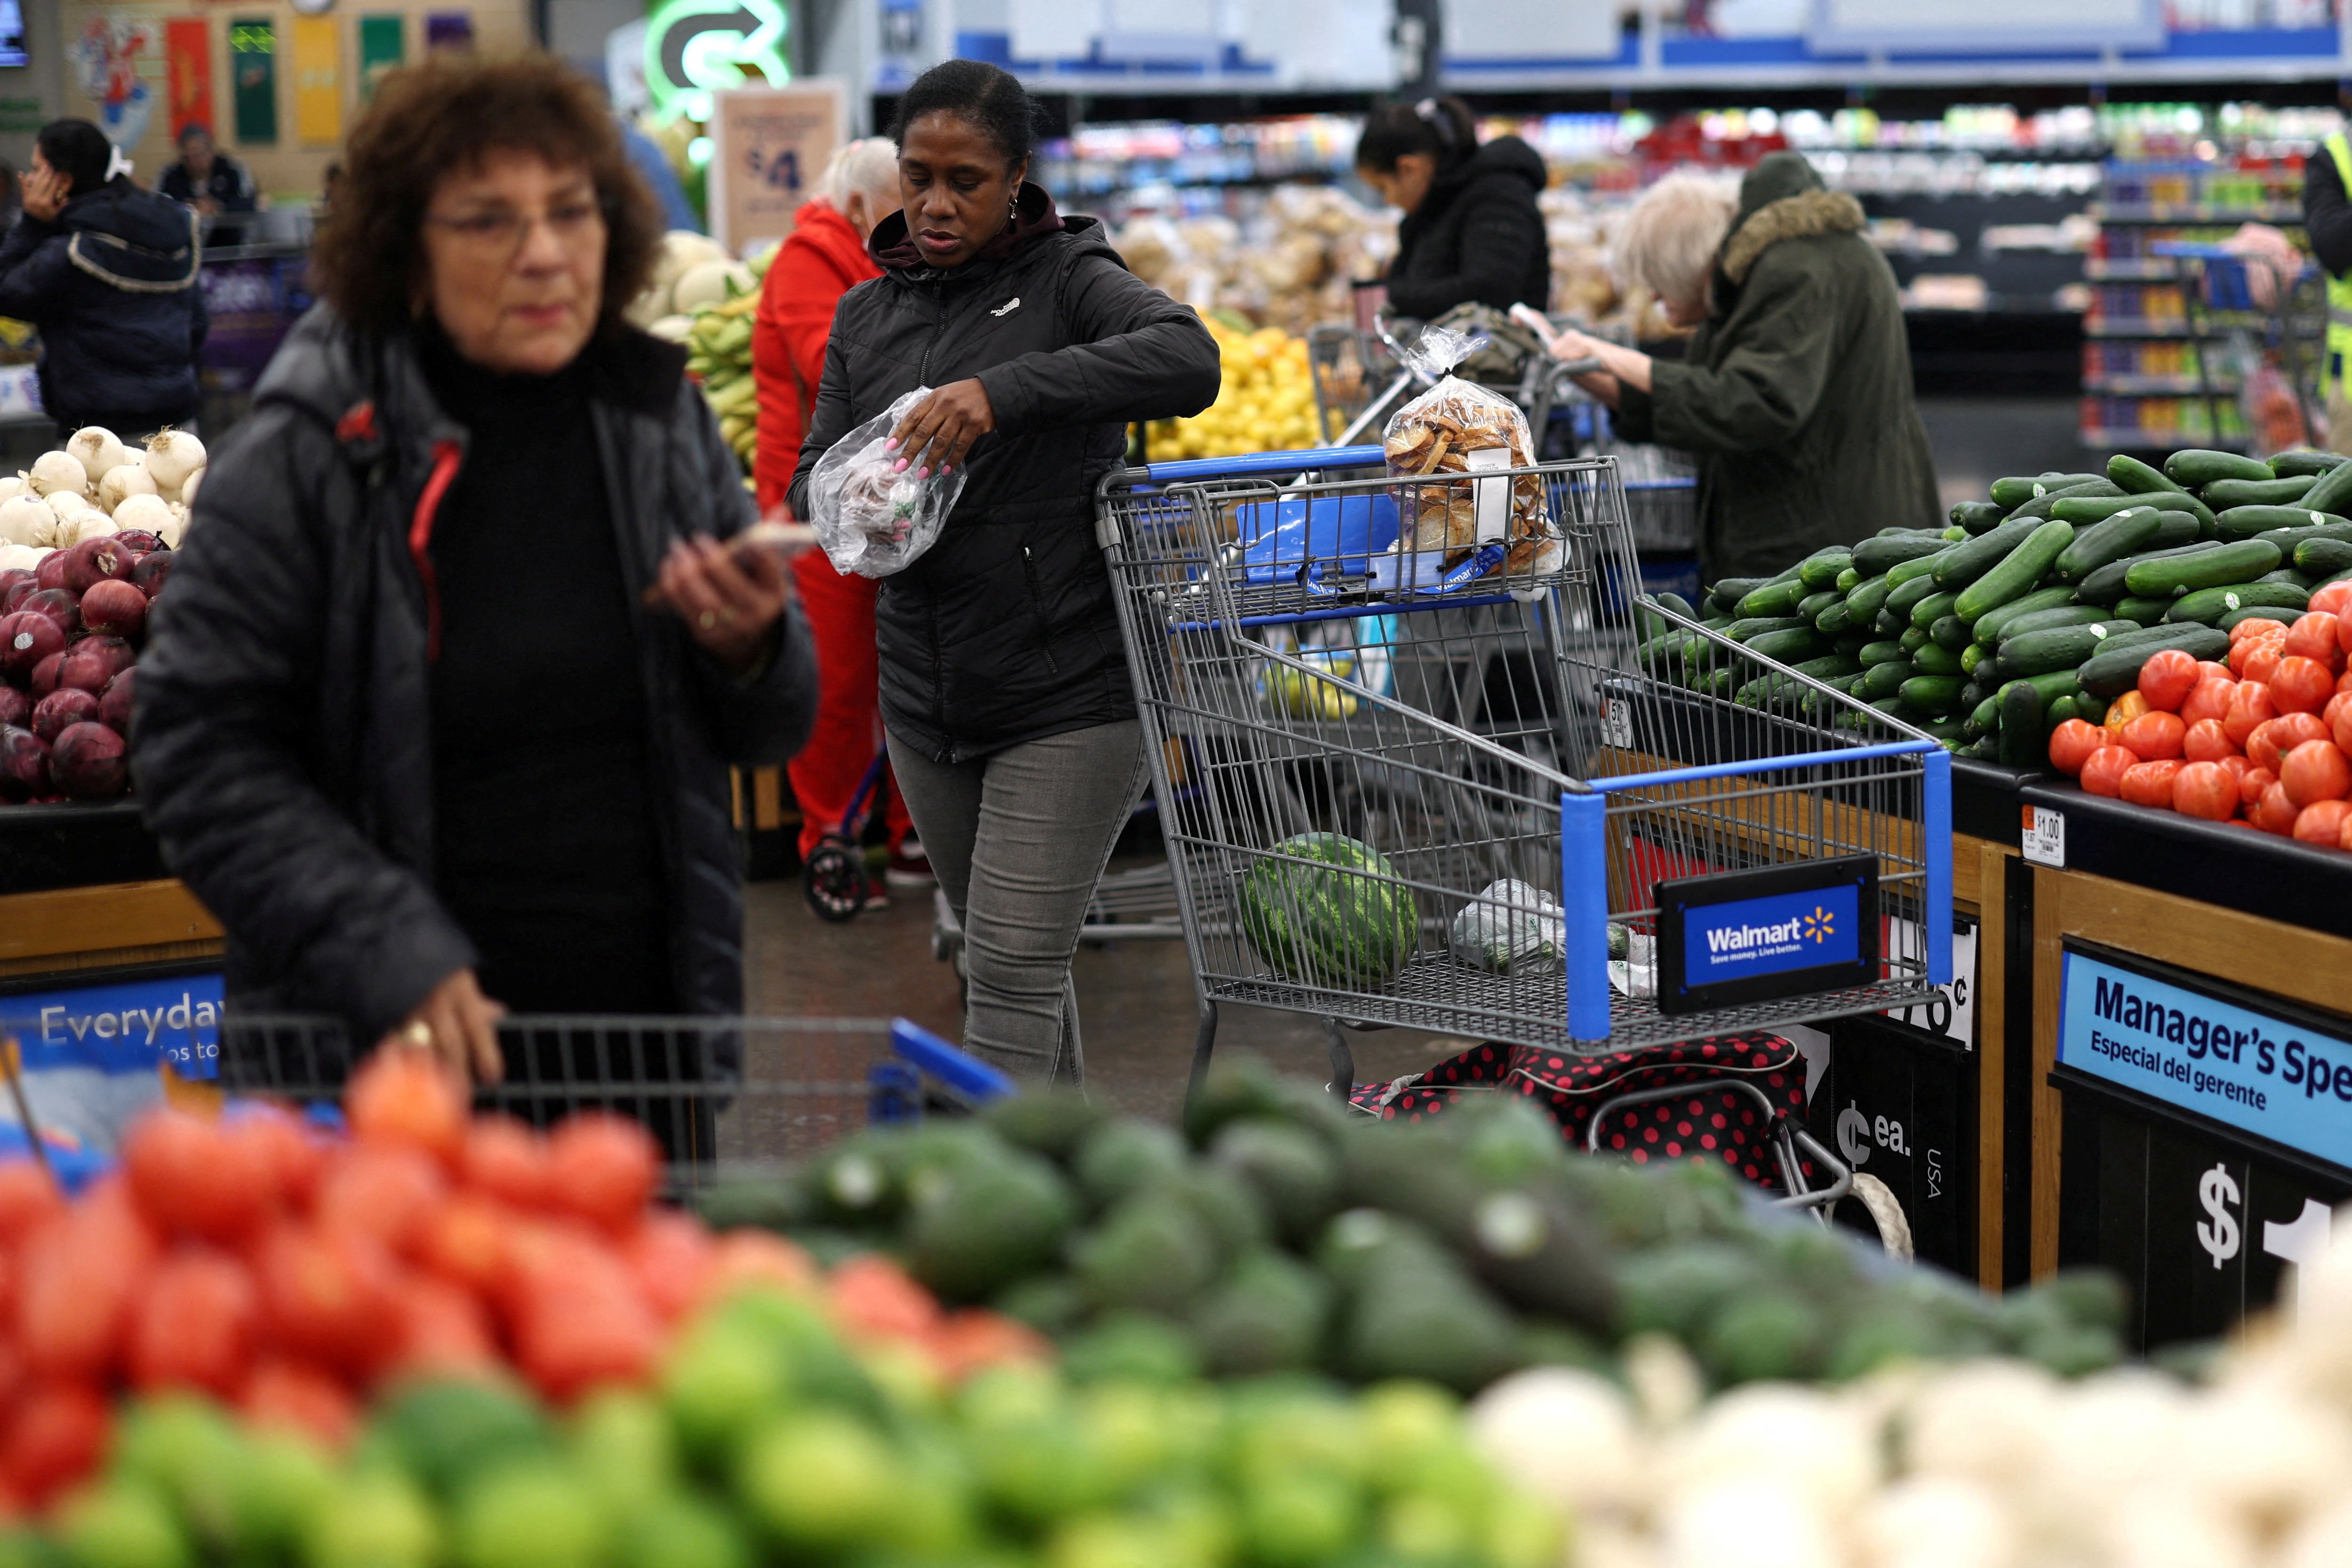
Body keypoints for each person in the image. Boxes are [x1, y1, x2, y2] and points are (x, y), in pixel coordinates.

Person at [134, 57, 818, 1127]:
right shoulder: (310, 448)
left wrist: (752, 650)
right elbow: (195, 744)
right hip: (385, 1061)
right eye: (488, 222)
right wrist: (378, 945)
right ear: (405, 252)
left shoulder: (653, 419)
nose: (545, 254)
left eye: (569, 212)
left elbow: (772, 727)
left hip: (636, 1056)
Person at [788, 59, 1219, 1082]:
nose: (935, 204)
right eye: (917, 174)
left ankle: (986, 1211)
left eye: (966, 180)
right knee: (1007, 967)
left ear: (1018, 177)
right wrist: (865, 498)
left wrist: (1000, 391)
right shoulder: (865, 316)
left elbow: (1187, 359)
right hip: (928, 695)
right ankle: (1062, 1190)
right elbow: (820, 472)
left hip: (1069, 685)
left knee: (1013, 969)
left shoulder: (1073, 279)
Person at [1544, 155, 1938, 580]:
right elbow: (1714, 402)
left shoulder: (1796, 269)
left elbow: (1757, 403)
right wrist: (1600, 380)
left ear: (1688, 262)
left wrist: (1615, 357)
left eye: (1658, 280)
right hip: (1828, 526)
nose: (1655, 298)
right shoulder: (1775, 269)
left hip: (1829, 545)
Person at [753, 137, 926, 895]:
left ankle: (911, 837)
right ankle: (831, 840)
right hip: (815, 514)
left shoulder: (884, 261)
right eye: (900, 205)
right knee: (837, 683)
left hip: (889, 503)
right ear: (859, 204)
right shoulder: (804, 262)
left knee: (902, 676)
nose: (918, 223)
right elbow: (835, 368)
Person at [0, 119, 207, 439]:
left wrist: (32, 225)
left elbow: (7, 291)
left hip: (96, 438)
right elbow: (198, 323)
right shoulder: (171, 227)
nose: (29, 180)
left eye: (37, 169)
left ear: (63, 181)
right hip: (178, 426)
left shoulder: (69, 252)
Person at [1354, 96, 1549, 319]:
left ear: (1410, 169)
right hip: (1445, 352)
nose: (1388, 201)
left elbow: (1491, 291)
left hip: (1496, 351)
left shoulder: (1499, 193)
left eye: (1382, 188)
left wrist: (1388, 297)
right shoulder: (1430, 208)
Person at [157, 123, 258, 247]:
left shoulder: (233, 170)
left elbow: (249, 203)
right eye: (190, 157)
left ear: (212, 151)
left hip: (229, 243)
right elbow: (158, 205)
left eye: (202, 154)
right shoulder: (171, 175)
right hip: (183, 243)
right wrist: (188, 209)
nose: (197, 162)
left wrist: (218, 208)